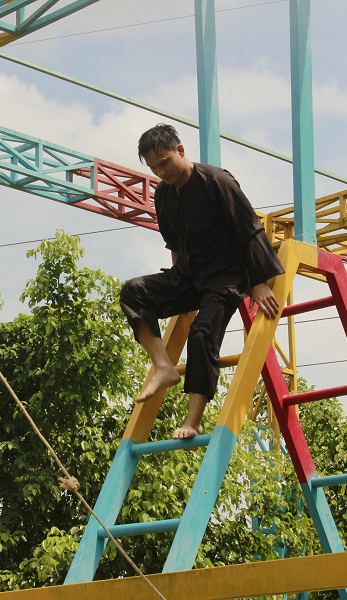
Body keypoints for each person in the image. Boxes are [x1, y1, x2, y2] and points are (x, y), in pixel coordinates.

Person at [120, 123, 284, 440]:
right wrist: (176, 284)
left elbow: (248, 228)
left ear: (180, 151)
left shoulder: (216, 181)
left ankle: (192, 421)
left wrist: (259, 281)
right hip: (192, 276)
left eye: (165, 162)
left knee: (201, 334)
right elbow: (175, 245)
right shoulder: (163, 194)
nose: (161, 172)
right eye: (154, 168)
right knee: (133, 292)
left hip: (227, 278)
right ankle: (164, 367)